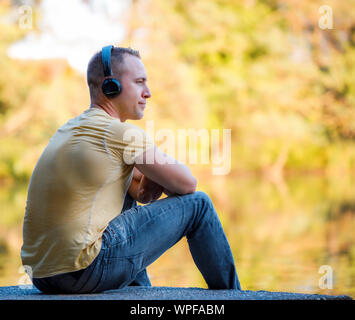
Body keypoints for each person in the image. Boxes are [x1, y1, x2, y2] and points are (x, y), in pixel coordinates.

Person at [21, 45, 242, 293]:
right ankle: (233, 297)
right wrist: (157, 171)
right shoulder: (122, 134)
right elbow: (187, 185)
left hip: (42, 276)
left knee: (123, 195)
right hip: (83, 271)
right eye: (139, 82)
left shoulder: (69, 130)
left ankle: (140, 292)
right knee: (199, 205)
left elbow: (142, 194)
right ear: (110, 86)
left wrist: (148, 177)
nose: (147, 93)